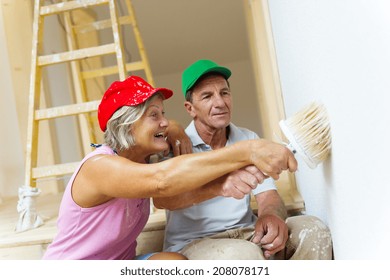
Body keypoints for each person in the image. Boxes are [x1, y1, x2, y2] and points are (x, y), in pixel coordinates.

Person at [42, 75, 297, 260]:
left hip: (121, 264)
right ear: (128, 124)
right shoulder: (99, 167)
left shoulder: (143, 159)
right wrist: (247, 151)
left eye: (164, 114)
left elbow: (168, 164)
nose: (165, 121)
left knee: (174, 264)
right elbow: (162, 181)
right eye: (155, 115)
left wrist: (172, 128)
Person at [154, 59, 333, 260]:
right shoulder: (176, 145)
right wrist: (219, 186)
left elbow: (268, 195)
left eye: (224, 93)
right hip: (196, 242)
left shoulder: (248, 139)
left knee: (313, 230)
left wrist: (270, 216)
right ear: (190, 108)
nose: (220, 102)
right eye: (207, 96)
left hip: (247, 234)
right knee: (243, 255)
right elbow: (163, 199)